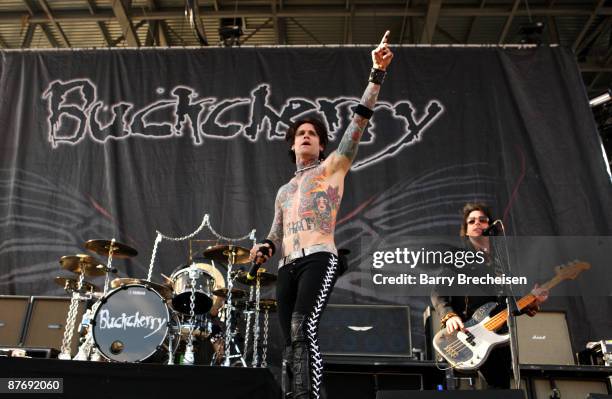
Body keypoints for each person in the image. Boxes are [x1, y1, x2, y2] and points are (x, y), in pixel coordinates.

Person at [249, 31, 394, 399]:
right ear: (292, 143)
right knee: (288, 338)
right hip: (287, 265)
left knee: (302, 327)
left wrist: (375, 76)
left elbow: (358, 125)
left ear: (322, 143)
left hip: (319, 256)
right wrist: (264, 247)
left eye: (313, 133)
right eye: (301, 133)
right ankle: (293, 395)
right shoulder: (284, 191)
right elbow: (275, 232)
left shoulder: (332, 168)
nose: (307, 136)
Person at [431, 202, 549, 389]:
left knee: (500, 389)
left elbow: (510, 304)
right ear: (466, 230)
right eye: (472, 221)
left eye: (483, 220)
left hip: (496, 336)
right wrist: (449, 315)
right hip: (466, 334)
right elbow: (438, 291)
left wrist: (532, 300)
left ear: (490, 226)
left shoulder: (503, 263)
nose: (477, 223)